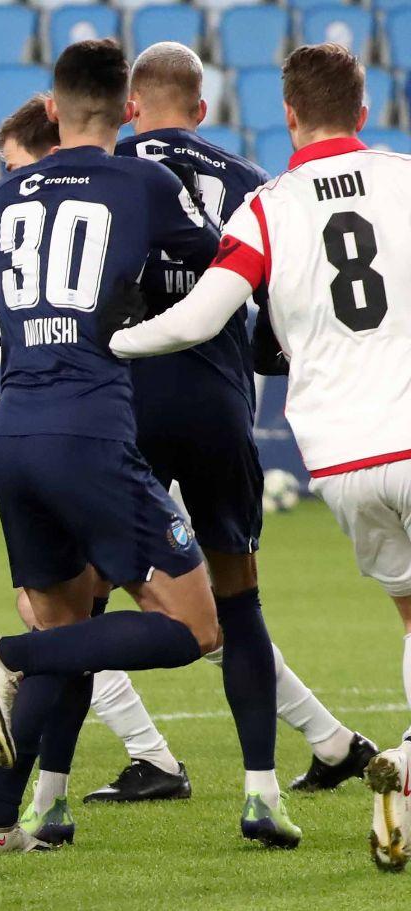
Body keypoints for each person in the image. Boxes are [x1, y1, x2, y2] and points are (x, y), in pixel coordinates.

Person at [0, 38, 306, 855]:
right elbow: (218, 266)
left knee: (72, 623)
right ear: (125, 110)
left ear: (50, 109)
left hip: (14, 436)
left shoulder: (2, 197)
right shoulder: (149, 183)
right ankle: (4, 655)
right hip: (104, 429)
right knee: (201, 624)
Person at [110, 42, 411, 873]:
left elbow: (198, 318)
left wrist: (112, 340)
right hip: (395, 425)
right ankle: (393, 763)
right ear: (363, 111)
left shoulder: (266, 207)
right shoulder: (399, 178)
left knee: (409, 609)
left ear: (288, 114)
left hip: (339, 458)